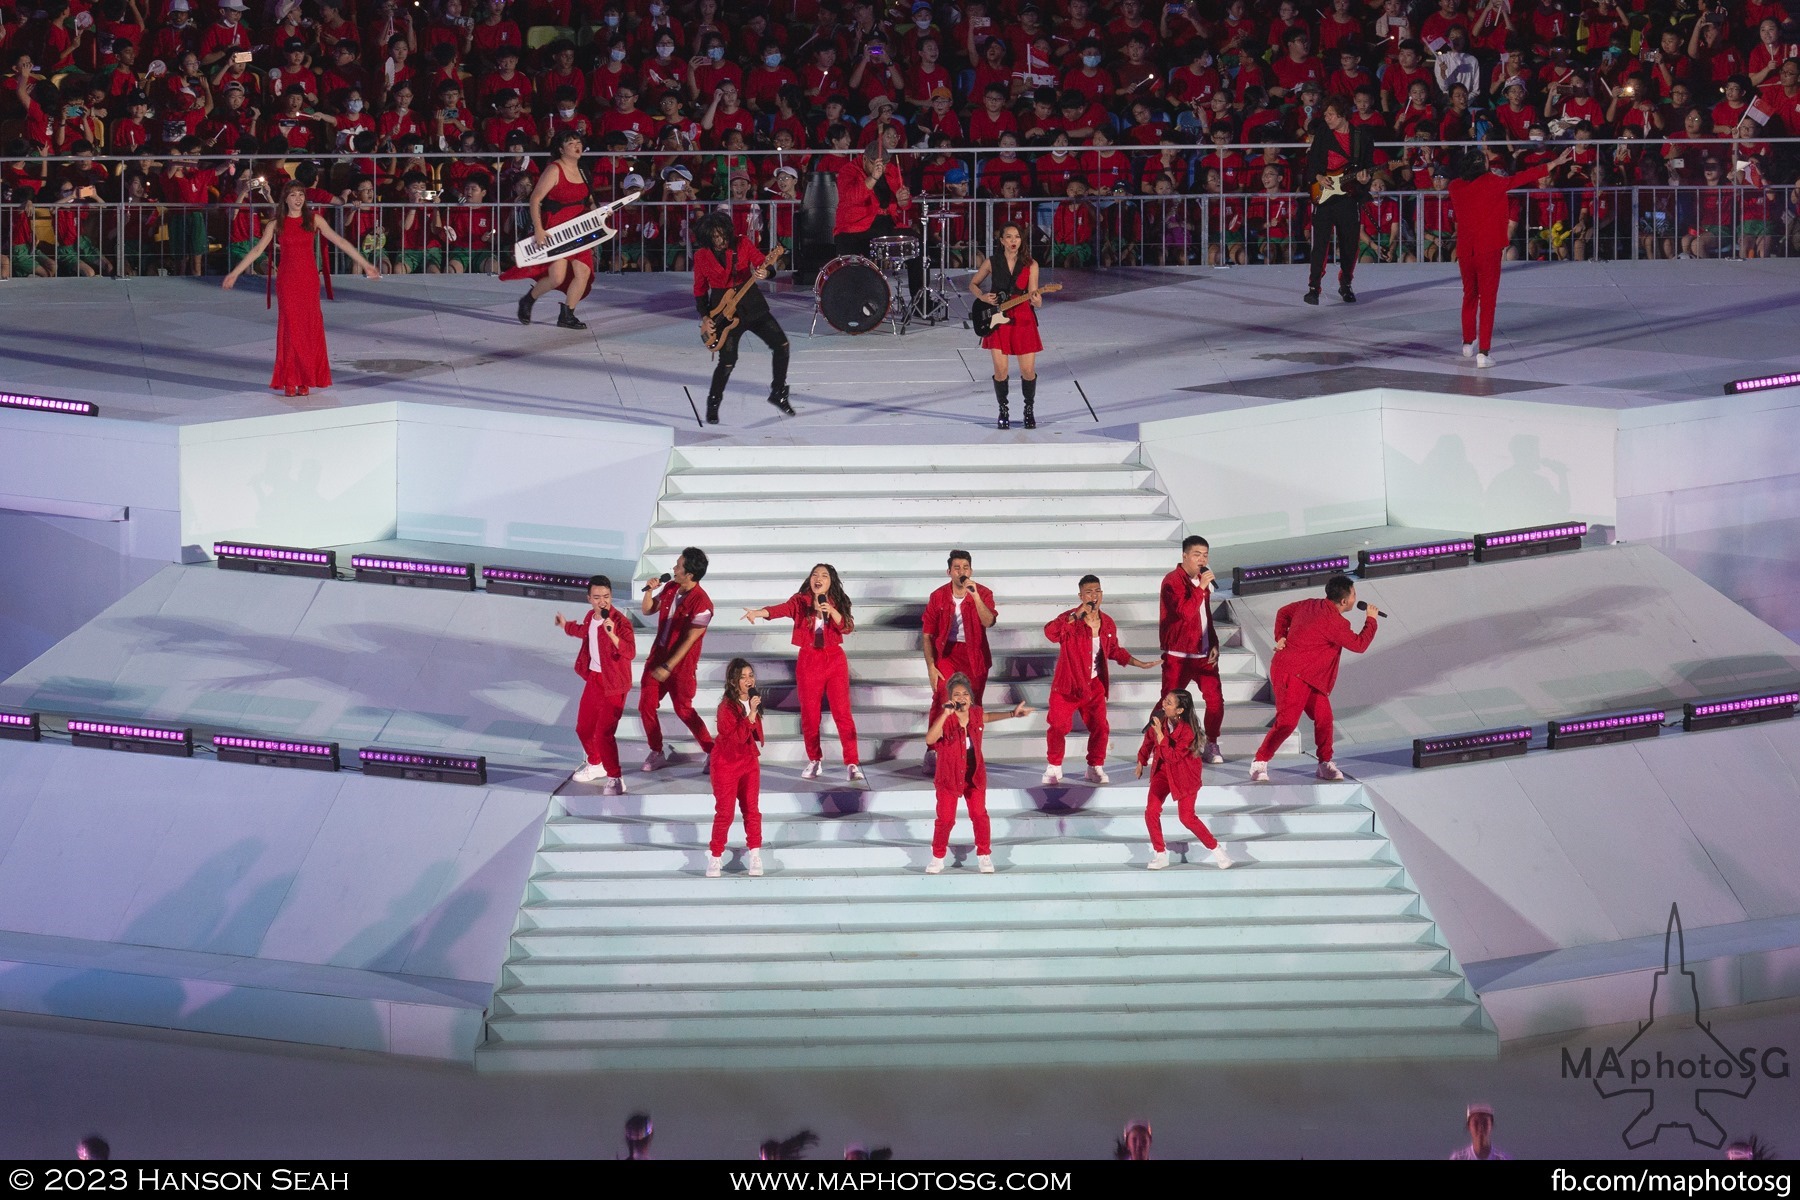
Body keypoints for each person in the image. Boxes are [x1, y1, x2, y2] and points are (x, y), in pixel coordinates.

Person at [221, 181, 381, 398]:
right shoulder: (275, 223)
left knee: (308, 330)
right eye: (293, 195)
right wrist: (235, 273)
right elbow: (258, 249)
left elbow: (340, 241)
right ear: (285, 198)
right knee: (290, 329)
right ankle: (289, 379)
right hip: (287, 281)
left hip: (308, 281)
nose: (298, 199)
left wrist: (365, 264)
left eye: (301, 195)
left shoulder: (314, 220)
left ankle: (305, 378)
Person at [1448, 145, 1573, 368]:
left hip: (1466, 250)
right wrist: (1552, 164)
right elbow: (1523, 177)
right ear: (1482, 165)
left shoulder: (1455, 187)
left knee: (1469, 295)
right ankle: (1483, 352)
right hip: (1488, 250)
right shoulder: (1493, 183)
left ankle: (1468, 343)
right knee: (1488, 301)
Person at [1249, 574, 1378, 783]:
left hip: (1310, 677)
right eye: (1354, 594)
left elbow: (1284, 612)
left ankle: (1324, 763)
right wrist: (1371, 620)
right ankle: (1260, 761)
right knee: (1287, 723)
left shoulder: (1310, 604)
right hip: (1291, 672)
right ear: (1344, 601)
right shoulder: (1336, 623)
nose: (1356, 598)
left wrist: (1280, 635)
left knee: (1324, 718)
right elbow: (1359, 644)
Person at [742, 564, 863, 783]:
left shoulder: (838, 602)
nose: (818, 578)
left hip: (834, 659)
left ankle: (852, 763)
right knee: (810, 715)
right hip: (809, 660)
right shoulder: (800, 601)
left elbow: (848, 627)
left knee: (842, 714)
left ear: (830, 582)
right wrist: (758, 613)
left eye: (824, 576)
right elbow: (779, 609)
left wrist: (832, 611)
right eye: (815, 575)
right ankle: (815, 759)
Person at [1041, 574, 1157, 786]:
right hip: (1067, 684)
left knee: (1101, 727)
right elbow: (1050, 632)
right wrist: (1075, 616)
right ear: (1081, 595)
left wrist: (1138, 663)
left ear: (1101, 594)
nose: (1093, 596)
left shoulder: (1108, 622)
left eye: (1097, 591)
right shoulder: (1070, 619)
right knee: (1057, 726)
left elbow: (1113, 650)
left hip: (1094, 685)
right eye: (1089, 592)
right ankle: (1054, 766)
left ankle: (1094, 767)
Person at [924, 672, 1033, 875]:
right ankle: (938, 857)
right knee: (945, 819)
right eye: (957, 694)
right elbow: (930, 739)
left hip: (974, 776)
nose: (961, 698)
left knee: (980, 815)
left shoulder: (975, 714)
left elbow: (988, 717)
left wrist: (1012, 714)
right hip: (949, 778)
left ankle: (984, 855)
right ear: (950, 697)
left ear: (970, 697)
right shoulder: (945, 719)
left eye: (965, 694)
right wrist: (945, 714)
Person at [692, 212, 793, 423]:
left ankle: (778, 392)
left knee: (781, 345)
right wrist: (704, 316)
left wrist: (767, 273)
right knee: (727, 362)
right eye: (714, 238)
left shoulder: (742, 243)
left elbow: (762, 263)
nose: (720, 241)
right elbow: (700, 289)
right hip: (723, 313)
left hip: (752, 305)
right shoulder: (702, 256)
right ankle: (713, 403)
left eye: (722, 236)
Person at [502, 129, 594, 330]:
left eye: (578, 142)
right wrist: (539, 229)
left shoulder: (583, 169)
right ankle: (528, 299)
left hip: (579, 227)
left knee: (583, 272)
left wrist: (598, 214)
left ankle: (567, 313)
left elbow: (588, 199)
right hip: (557, 227)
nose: (577, 146)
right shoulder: (554, 170)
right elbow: (535, 199)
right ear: (561, 149)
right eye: (571, 143)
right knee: (556, 277)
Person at [556, 575, 635, 796]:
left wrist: (613, 636)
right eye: (597, 597)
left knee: (603, 734)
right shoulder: (591, 616)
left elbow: (630, 652)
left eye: (607, 597)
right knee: (583, 728)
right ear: (589, 598)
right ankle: (596, 763)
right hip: (594, 679)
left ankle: (615, 777)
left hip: (615, 685)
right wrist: (566, 626)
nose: (603, 602)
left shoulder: (620, 623)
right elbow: (584, 632)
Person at [638, 547, 716, 771]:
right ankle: (656, 750)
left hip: (681, 664)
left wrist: (668, 666)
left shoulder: (703, 605)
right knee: (646, 705)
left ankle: (711, 750)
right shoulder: (671, 587)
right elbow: (648, 610)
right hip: (658, 656)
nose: (674, 568)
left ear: (689, 574)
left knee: (683, 709)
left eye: (678, 565)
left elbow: (690, 640)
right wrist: (649, 591)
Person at [1137, 690, 1233, 870]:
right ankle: (1160, 853)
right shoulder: (1160, 720)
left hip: (1184, 775)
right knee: (1151, 810)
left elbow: (1173, 756)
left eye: (1169, 703)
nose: (1164, 705)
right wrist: (1141, 761)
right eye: (1165, 701)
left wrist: (1160, 734)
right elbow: (1148, 741)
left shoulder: (1188, 731)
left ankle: (1217, 850)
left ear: (1180, 710)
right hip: (1162, 771)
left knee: (1187, 817)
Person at [921, 549, 998, 764]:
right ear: (949, 572)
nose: (961, 572)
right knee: (943, 698)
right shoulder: (938, 596)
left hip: (975, 655)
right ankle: (934, 751)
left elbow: (988, 622)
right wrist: (930, 665)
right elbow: (927, 635)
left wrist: (975, 596)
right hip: (946, 653)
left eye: (965, 568)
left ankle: (969, 753)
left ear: (971, 570)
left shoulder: (982, 592)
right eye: (957, 568)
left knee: (972, 705)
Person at [1158, 535, 1227, 765]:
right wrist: (1201, 588)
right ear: (1184, 555)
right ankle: (1156, 745)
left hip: (1203, 655)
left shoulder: (1201, 581)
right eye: (1197, 554)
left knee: (1216, 701)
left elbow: (1204, 616)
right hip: (1178, 655)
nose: (1202, 559)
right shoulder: (1172, 582)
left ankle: (1211, 743)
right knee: (1168, 705)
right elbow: (1184, 614)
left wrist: (1214, 643)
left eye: (1205, 555)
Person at [968, 222, 1042, 430]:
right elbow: (973, 283)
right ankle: (1003, 409)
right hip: (998, 318)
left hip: (1023, 318)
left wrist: (1037, 301)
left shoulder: (1031, 264)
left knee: (1028, 371)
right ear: (1001, 241)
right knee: (1001, 371)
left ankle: (1029, 409)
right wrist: (982, 296)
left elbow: (1034, 294)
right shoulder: (992, 262)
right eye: (1009, 237)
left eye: (1017, 237)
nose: (1013, 241)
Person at [1301, 95, 1372, 305]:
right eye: (1325, 114)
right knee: (1320, 244)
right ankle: (1314, 287)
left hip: (1349, 196)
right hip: (1324, 194)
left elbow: (1367, 165)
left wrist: (1365, 178)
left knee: (1349, 244)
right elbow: (1312, 161)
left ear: (1342, 116)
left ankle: (1346, 283)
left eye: (1330, 114)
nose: (1327, 118)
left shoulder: (1362, 136)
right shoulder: (1323, 132)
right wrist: (1318, 177)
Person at [708, 658, 764, 878]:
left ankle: (755, 855)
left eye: (751, 675)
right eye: (743, 677)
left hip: (749, 762)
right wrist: (751, 713)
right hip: (726, 764)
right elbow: (738, 738)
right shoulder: (725, 708)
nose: (749, 680)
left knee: (752, 809)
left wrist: (753, 710)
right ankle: (715, 857)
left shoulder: (752, 701)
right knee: (725, 813)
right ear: (734, 681)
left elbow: (753, 734)